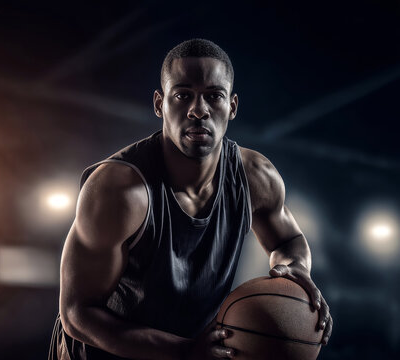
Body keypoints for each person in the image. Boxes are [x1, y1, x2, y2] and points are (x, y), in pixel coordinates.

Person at [48, 38, 333, 360]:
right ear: (160, 104)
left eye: (214, 96)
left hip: (190, 349)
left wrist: (295, 270)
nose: (199, 110)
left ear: (232, 106)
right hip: (104, 351)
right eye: (183, 95)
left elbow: (289, 240)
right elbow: (77, 315)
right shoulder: (119, 191)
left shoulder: (256, 177)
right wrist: (184, 351)